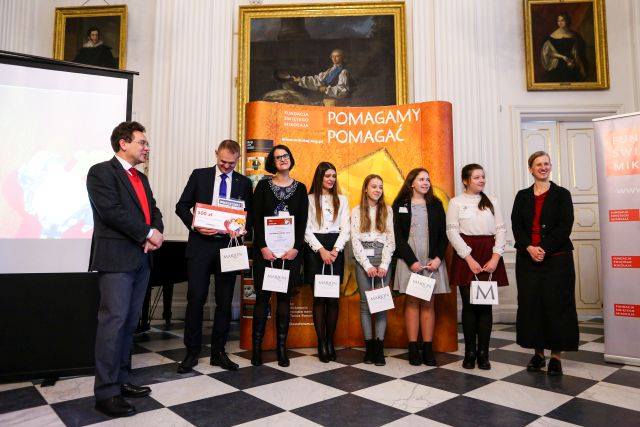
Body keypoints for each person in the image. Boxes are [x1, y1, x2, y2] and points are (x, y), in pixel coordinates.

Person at [86, 121, 164, 418]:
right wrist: (147, 233)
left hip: (141, 259)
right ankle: (106, 394)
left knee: (129, 324)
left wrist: (157, 231)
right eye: (142, 142)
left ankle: (122, 380)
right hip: (116, 259)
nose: (146, 148)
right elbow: (111, 213)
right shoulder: (101, 172)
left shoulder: (141, 178)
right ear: (123, 143)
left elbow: (153, 210)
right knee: (113, 323)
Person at [175, 140, 253, 373]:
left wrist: (243, 228)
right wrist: (195, 225)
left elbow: (248, 215)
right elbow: (181, 206)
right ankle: (191, 352)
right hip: (200, 246)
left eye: (231, 163)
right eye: (222, 161)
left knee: (224, 301)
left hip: (228, 247)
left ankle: (218, 352)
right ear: (216, 154)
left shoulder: (244, 182)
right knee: (196, 299)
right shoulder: (199, 175)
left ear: (238, 159)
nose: (226, 166)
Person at [511, 151, 579, 376]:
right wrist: (529, 248)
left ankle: (556, 357)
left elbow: (565, 226)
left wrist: (543, 248)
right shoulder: (522, 196)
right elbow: (517, 227)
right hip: (527, 259)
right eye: (538, 164)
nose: (543, 167)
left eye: (546, 163)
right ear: (530, 169)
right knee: (532, 306)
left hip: (557, 260)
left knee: (557, 306)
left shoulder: (562, 194)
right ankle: (538, 354)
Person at [251, 145, 308, 367]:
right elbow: (256, 219)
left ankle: (281, 350)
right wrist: (263, 247)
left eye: (285, 156)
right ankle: (257, 349)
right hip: (265, 253)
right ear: (272, 163)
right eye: (277, 157)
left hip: (289, 254)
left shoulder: (300, 189)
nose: (282, 159)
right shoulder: (263, 186)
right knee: (262, 298)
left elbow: (302, 222)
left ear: (291, 159)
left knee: (284, 299)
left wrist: (296, 249)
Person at [447, 164, 508, 370]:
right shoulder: (456, 202)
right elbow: (452, 232)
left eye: (483, 177)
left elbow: (501, 230)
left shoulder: (493, 201)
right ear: (465, 180)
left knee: (485, 306)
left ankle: (483, 354)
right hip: (466, 256)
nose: (481, 180)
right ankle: (469, 353)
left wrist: (496, 257)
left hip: (489, 254)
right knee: (469, 305)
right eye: (476, 177)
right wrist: (468, 258)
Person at [393, 168, 449, 366]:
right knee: (412, 303)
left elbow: (443, 234)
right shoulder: (400, 205)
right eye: (421, 179)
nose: (426, 182)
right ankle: (412, 348)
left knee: (428, 303)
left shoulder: (436, 204)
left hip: (431, 261)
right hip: (409, 260)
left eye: (428, 179)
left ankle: (427, 348)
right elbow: (397, 237)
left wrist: (438, 258)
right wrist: (412, 261)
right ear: (411, 183)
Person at [304, 162, 350, 362]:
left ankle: (330, 341)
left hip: (335, 248)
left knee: (333, 298)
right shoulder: (308, 199)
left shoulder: (342, 199)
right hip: (315, 249)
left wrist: (336, 250)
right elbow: (305, 229)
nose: (331, 179)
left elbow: (346, 228)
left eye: (334, 176)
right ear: (319, 177)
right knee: (319, 298)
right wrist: (321, 250)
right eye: (327, 176)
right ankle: (321, 342)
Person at [351, 174, 395, 366]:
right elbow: (354, 240)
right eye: (374, 186)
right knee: (365, 304)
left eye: (380, 187)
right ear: (366, 189)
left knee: (381, 304)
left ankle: (379, 348)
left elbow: (391, 239)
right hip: (363, 260)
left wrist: (384, 264)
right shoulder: (356, 211)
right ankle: (369, 348)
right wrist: (367, 265)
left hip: (383, 256)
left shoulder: (387, 210)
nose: (377, 190)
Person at [541, 13, 587, 82]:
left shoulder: (574, 35)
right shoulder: (552, 36)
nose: (560, 23)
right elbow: (549, 53)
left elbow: (575, 53)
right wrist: (563, 57)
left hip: (571, 63)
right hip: (557, 64)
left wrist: (575, 63)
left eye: (562, 20)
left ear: (567, 21)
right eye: (558, 21)